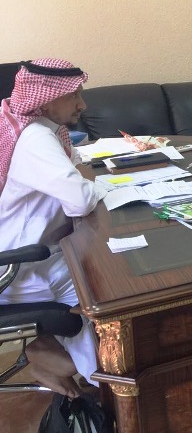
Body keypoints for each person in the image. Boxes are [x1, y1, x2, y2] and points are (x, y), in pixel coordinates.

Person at [0, 59, 106, 397]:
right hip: (17, 267)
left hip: (33, 253)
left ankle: (58, 349)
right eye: (73, 95)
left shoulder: (42, 128)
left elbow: (74, 169)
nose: (82, 104)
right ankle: (97, 381)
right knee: (106, 290)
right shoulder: (34, 138)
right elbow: (79, 200)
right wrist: (100, 189)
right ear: (45, 100)